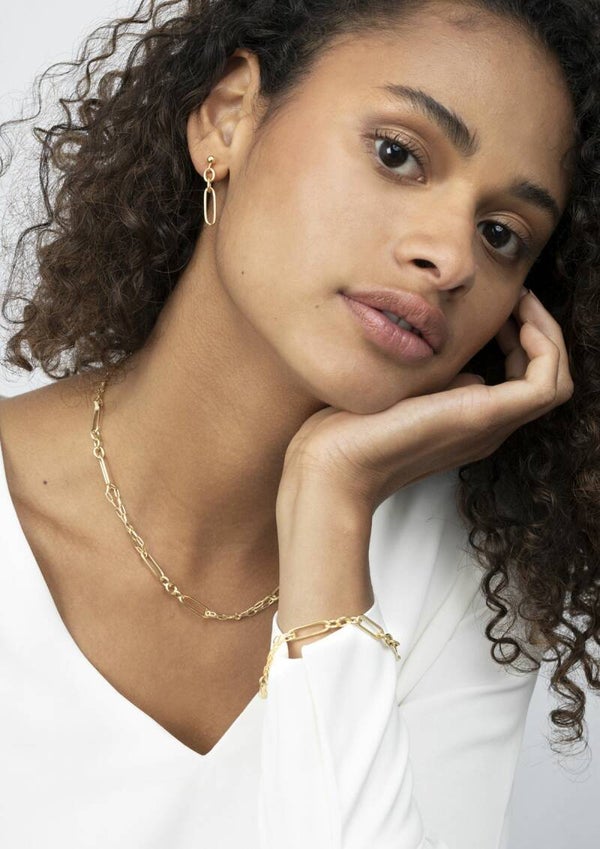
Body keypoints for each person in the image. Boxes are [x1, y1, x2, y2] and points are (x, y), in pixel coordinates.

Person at [0, 0, 598, 846]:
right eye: (397, 154)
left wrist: (331, 503)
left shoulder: (459, 590)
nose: (451, 258)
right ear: (228, 119)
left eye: (502, 233)